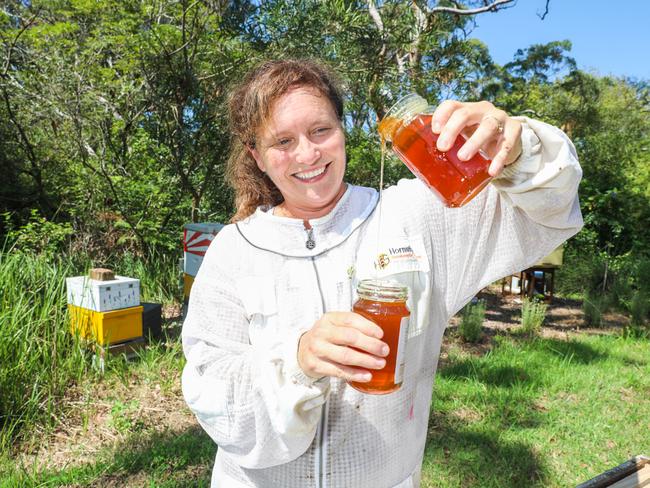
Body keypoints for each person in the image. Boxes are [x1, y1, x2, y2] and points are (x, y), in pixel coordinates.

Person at [181, 58, 582, 488]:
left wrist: (515, 150)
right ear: (256, 156)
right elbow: (211, 387)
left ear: (342, 131)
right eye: (282, 141)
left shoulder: (415, 215)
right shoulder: (233, 250)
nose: (308, 153)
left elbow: (549, 215)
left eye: (321, 130)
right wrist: (298, 361)